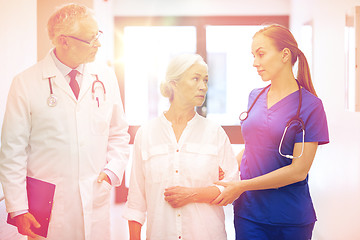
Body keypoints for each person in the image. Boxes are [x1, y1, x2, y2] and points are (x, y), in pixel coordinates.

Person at [0, 3, 130, 239]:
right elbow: (12, 151)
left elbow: (119, 133)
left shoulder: (106, 77)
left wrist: (112, 170)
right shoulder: (26, 83)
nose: (98, 44)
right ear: (64, 41)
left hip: (95, 195)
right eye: (91, 38)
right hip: (47, 203)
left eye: (97, 35)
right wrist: (18, 208)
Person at [212, 24, 329, 240]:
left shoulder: (311, 106)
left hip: (290, 217)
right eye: (253, 55)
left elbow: (298, 171)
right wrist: (227, 167)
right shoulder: (254, 96)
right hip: (249, 213)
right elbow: (253, 147)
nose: (255, 62)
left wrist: (242, 186)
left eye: (261, 54)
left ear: (285, 55)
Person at [122, 53, 239, 240]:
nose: (203, 87)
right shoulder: (147, 134)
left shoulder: (214, 132)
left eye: (205, 80)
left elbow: (232, 187)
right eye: (195, 79)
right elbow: (136, 202)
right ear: (174, 84)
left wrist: (193, 194)